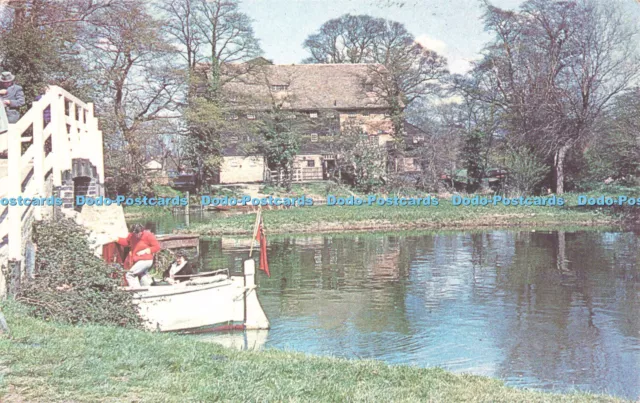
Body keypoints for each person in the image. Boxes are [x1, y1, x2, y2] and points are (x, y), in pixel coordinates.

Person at [117, 223, 161, 288]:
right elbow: (126, 242)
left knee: (129, 274)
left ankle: (135, 290)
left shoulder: (148, 235)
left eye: (139, 233)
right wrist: (117, 239)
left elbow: (157, 247)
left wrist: (146, 250)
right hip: (138, 260)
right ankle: (148, 290)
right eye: (135, 234)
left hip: (146, 260)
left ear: (142, 231)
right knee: (142, 275)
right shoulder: (132, 235)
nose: (137, 235)